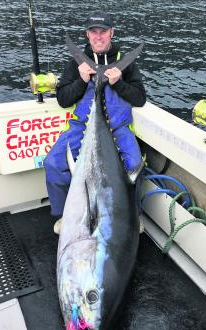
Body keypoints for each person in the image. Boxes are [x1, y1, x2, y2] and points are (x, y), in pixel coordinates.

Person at [43, 10, 146, 233]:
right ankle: (64, 214)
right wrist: (81, 80)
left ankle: (132, 215)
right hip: (81, 127)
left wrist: (119, 82)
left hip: (118, 128)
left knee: (135, 165)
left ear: (112, 33)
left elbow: (139, 98)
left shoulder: (125, 64)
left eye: (103, 32)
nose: (98, 37)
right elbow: (63, 99)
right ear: (87, 35)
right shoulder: (76, 63)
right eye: (93, 32)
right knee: (53, 163)